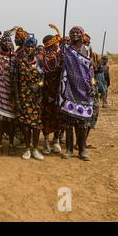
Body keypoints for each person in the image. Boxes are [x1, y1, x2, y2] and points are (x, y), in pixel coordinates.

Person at [60, 26, 94, 161]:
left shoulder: (88, 50)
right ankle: (68, 149)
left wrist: (92, 84)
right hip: (70, 88)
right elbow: (60, 67)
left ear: (82, 35)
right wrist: (61, 59)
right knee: (69, 121)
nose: (74, 34)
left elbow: (90, 69)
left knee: (83, 123)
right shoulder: (66, 50)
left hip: (84, 90)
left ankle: (82, 150)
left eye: (77, 32)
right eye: (72, 32)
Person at [16, 34, 45, 161]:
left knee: (37, 124)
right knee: (26, 124)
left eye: (32, 46)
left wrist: (38, 86)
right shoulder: (19, 61)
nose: (30, 49)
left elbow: (44, 79)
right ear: (24, 47)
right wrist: (17, 99)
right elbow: (15, 81)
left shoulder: (39, 61)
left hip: (36, 97)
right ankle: (27, 148)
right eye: (28, 46)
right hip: (24, 96)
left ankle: (36, 149)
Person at [0, 30, 18, 156]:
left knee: (11, 121)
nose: (7, 44)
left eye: (9, 41)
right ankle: (0, 145)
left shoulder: (15, 58)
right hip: (0, 92)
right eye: (5, 42)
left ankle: (12, 145)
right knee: (0, 121)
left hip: (11, 93)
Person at [40, 24, 64, 154]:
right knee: (46, 117)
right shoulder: (42, 57)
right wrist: (58, 68)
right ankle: (46, 142)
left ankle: (56, 141)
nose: (57, 46)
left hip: (59, 91)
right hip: (46, 91)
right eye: (55, 44)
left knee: (58, 116)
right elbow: (44, 74)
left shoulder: (60, 55)